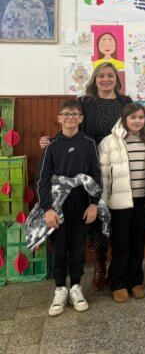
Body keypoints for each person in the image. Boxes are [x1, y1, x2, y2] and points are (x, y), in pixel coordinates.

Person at [40, 62, 132, 290]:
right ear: (94, 79)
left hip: (118, 167)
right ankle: (100, 264)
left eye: (110, 75)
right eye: (101, 75)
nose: (106, 79)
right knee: (95, 216)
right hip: (91, 167)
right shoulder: (85, 102)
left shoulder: (125, 103)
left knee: (118, 215)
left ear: (116, 80)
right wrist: (51, 141)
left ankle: (119, 267)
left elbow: (134, 129)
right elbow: (71, 127)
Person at [35, 99, 102, 316]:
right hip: (57, 206)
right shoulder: (52, 145)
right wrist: (47, 209)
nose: (70, 117)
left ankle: (75, 286)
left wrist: (94, 204)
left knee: (77, 247)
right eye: (66, 114)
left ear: (81, 118)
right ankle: (59, 289)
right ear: (59, 118)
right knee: (58, 248)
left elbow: (96, 175)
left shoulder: (89, 143)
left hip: (81, 205)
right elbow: (42, 179)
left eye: (75, 114)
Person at [99, 103, 145, 303]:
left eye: (141, 117)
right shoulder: (108, 142)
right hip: (119, 202)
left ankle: (136, 281)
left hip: (143, 201)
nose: (137, 121)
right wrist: (103, 203)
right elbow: (104, 175)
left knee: (138, 242)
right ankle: (118, 283)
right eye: (133, 117)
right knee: (121, 243)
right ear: (124, 119)